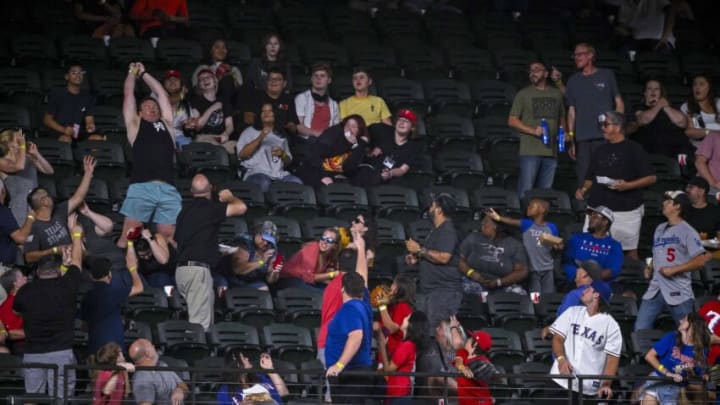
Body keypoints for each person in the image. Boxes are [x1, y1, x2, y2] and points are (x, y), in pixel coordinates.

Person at [13, 217, 84, 402]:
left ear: (37, 272)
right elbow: (77, 261)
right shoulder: (67, 285)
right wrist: (76, 234)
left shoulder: (26, 290)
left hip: (33, 353)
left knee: (32, 399)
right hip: (61, 353)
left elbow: (16, 311)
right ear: (59, 271)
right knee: (60, 400)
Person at [576, 110, 656, 259]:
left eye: (606, 125)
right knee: (590, 248)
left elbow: (651, 178)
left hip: (626, 209)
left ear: (618, 127)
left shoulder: (634, 149)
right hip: (598, 208)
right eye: (602, 125)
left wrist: (627, 186)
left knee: (628, 251)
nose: (602, 128)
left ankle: (629, 279)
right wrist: (583, 189)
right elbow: (590, 176)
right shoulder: (599, 149)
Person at [117, 62, 180, 248]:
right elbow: (128, 94)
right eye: (147, 106)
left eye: (154, 106)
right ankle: (121, 272)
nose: (152, 108)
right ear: (139, 112)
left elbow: (162, 94)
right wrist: (132, 73)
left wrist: (143, 73)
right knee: (130, 234)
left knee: (169, 238)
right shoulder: (135, 125)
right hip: (142, 186)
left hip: (168, 188)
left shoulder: (167, 124)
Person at [174, 174, 247, 330]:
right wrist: (230, 197)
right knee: (200, 327)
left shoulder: (183, 212)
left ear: (192, 191)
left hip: (182, 271)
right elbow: (241, 207)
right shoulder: (211, 208)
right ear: (211, 189)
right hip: (197, 272)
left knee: (199, 320)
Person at [635, 190, 711, 331]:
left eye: (668, 201)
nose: (664, 203)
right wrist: (650, 267)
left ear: (678, 206)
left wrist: (674, 269)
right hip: (655, 288)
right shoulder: (659, 228)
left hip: (678, 291)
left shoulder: (688, 231)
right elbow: (657, 253)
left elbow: (701, 260)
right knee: (640, 330)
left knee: (689, 334)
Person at [553, 43, 624, 188]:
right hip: (583, 139)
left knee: (607, 177)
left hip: (605, 136)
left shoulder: (606, 75)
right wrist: (572, 139)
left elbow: (619, 102)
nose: (576, 58)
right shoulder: (573, 80)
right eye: (575, 55)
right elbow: (571, 111)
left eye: (580, 54)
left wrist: (618, 131)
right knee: (585, 178)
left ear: (591, 55)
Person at [545, 281, 622, 403]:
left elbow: (612, 359)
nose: (583, 291)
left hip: (587, 389)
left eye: (588, 289)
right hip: (559, 381)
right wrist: (561, 359)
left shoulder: (611, 326)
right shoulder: (572, 312)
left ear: (596, 295)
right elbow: (557, 338)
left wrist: (606, 384)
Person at [317, 216, 374, 367]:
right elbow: (361, 277)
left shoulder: (330, 286)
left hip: (324, 342)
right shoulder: (350, 284)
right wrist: (361, 249)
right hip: (337, 345)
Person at [508, 60, 566, 198]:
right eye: (531, 70)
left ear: (546, 74)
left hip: (551, 151)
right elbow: (512, 120)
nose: (532, 73)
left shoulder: (556, 94)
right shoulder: (523, 94)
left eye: (537, 69)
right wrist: (533, 131)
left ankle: (540, 220)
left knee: (545, 193)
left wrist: (564, 133)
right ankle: (524, 219)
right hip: (530, 150)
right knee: (526, 191)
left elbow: (562, 117)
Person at [406, 193, 462, 331]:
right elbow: (432, 254)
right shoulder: (436, 229)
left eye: (433, 205)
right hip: (432, 292)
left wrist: (419, 249)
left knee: (441, 335)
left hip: (443, 292)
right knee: (428, 334)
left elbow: (444, 257)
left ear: (439, 210)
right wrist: (417, 257)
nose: (429, 208)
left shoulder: (447, 230)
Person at [24, 155, 96, 264]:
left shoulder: (58, 211)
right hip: (52, 269)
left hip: (73, 261)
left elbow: (78, 198)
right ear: (44, 202)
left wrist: (88, 173)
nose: (51, 197)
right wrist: (53, 251)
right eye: (48, 196)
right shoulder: (33, 227)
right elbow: (29, 257)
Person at [487, 198, 561, 294]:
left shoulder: (552, 227)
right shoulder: (527, 224)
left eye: (532, 206)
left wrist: (558, 247)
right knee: (535, 296)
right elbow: (511, 221)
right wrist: (498, 218)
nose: (528, 208)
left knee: (548, 295)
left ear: (542, 210)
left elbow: (558, 244)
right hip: (533, 269)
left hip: (548, 268)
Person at [634, 312, 710, 405]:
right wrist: (667, 372)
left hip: (676, 388)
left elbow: (697, 377)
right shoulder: (672, 337)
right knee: (648, 397)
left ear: (692, 326)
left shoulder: (701, 349)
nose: (680, 321)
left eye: (684, 320)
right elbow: (649, 356)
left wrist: (690, 372)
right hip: (658, 378)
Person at [325, 270, 373, 404]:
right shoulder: (364, 305)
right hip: (356, 373)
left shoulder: (350, 308)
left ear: (342, 290)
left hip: (350, 375)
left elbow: (356, 336)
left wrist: (339, 365)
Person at [81, 253, 144, 354]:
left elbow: (84, 326)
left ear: (91, 276)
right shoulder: (115, 291)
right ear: (109, 275)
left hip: (94, 348)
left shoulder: (87, 297)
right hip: (114, 348)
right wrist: (133, 269)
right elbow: (139, 287)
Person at [458, 211, 529, 297]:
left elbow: (522, 271)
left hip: (503, 285)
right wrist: (471, 273)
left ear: (496, 226)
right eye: (482, 221)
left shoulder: (514, 244)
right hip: (472, 281)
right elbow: (459, 259)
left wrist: (499, 282)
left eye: (486, 222)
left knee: (520, 295)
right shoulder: (473, 238)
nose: (482, 223)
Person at [235, 103, 302, 192]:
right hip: (256, 173)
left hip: (278, 175)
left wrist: (282, 154)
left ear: (275, 114)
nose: (266, 113)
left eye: (270, 111)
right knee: (264, 182)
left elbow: (288, 162)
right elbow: (242, 155)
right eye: (263, 111)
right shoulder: (249, 131)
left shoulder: (281, 136)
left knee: (297, 182)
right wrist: (260, 137)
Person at [541, 260, 611, 339]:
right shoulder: (599, 295)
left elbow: (563, 324)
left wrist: (549, 329)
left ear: (584, 275)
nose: (576, 270)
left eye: (579, 268)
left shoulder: (575, 295)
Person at [351, 109, 421, 188]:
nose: (402, 123)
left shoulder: (412, 147)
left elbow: (402, 169)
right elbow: (361, 135)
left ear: (413, 128)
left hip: (388, 180)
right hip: (368, 172)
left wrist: (390, 173)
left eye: (406, 121)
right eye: (400, 120)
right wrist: (369, 152)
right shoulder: (381, 130)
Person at [298, 114, 369, 187]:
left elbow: (349, 167)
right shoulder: (334, 133)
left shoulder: (358, 145)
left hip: (339, 176)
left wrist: (360, 146)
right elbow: (317, 154)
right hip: (317, 172)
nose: (349, 129)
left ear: (359, 131)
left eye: (353, 127)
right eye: (347, 125)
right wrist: (323, 176)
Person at [0, 129, 54, 225]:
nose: (22, 141)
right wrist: (22, 146)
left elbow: (49, 171)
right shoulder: (2, 161)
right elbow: (19, 166)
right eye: (18, 139)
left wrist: (36, 154)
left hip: (36, 203)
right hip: (19, 207)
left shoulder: (27, 157)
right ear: (9, 143)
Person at [214, 220, 283, 292]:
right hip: (227, 276)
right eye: (263, 239)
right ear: (256, 234)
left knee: (264, 289)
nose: (265, 243)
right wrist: (261, 261)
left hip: (249, 280)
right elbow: (238, 270)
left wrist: (274, 272)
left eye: (269, 241)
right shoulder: (244, 242)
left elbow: (270, 281)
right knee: (222, 289)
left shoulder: (272, 249)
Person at [376, 311, 429, 404]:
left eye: (407, 318)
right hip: (398, 390)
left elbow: (389, 370)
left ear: (411, 325)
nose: (404, 318)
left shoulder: (406, 346)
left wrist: (382, 346)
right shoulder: (407, 344)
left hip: (398, 392)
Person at [631, 79, 692, 158]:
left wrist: (666, 107)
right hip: (651, 147)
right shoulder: (639, 107)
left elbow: (682, 122)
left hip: (676, 148)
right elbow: (642, 120)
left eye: (656, 89)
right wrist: (659, 105)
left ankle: (683, 168)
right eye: (649, 88)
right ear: (645, 93)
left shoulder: (670, 108)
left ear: (661, 93)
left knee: (684, 155)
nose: (653, 91)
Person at [562, 205, 624, 284]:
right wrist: (580, 276)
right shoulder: (576, 238)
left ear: (605, 222)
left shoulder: (614, 246)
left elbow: (613, 270)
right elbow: (567, 261)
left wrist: (594, 279)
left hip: (600, 285)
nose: (590, 219)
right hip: (575, 282)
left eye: (595, 217)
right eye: (590, 216)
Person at [43, 63, 97, 143]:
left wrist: (90, 125)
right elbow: (47, 120)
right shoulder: (57, 94)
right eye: (74, 73)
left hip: (79, 133)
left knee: (97, 139)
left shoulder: (87, 96)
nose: (78, 75)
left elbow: (89, 119)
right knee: (66, 139)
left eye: (80, 73)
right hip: (60, 132)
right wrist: (64, 129)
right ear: (67, 76)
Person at [189, 67, 236, 154]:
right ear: (199, 85)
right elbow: (198, 126)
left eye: (208, 77)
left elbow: (230, 125)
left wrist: (226, 134)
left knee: (238, 147)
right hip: (204, 138)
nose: (205, 80)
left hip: (221, 138)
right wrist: (212, 108)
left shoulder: (224, 101)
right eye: (202, 79)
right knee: (214, 148)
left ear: (215, 81)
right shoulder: (196, 102)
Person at [129, 338, 188, 405]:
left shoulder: (162, 365)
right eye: (151, 346)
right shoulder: (142, 378)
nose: (154, 347)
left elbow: (183, 385)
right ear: (148, 353)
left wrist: (179, 390)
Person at [242, 68, 299, 137]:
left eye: (278, 79)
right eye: (270, 79)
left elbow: (293, 126)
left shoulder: (288, 99)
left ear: (284, 84)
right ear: (266, 82)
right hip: (257, 134)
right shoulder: (256, 96)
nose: (273, 82)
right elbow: (248, 119)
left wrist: (290, 126)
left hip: (281, 136)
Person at [216, 351, 289, 405]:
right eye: (244, 358)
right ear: (238, 365)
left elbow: (284, 393)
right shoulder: (225, 390)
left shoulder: (259, 377)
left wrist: (270, 369)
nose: (247, 358)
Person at [375, 274, 415, 366]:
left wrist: (381, 305)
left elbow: (391, 328)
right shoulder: (392, 306)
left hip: (394, 357)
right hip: (385, 354)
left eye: (393, 284)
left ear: (398, 289)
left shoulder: (403, 306)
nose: (390, 287)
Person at [295, 62, 340, 138]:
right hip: (307, 141)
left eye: (322, 76)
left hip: (327, 143)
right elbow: (298, 126)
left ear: (329, 80)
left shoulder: (333, 104)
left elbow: (336, 128)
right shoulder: (301, 98)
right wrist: (318, 134)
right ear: (311, 79)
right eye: (315, 75)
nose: (318, 78)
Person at [191, 38, 243, 103]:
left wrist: (230, 74)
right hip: (208, 102)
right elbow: (197, 91)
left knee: (228, 79)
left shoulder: (234, 69)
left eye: (224, 47)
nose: (221, 50)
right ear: (210, 51)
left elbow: (240, 91)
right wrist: (216, 79)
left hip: (231, 102)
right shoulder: (202, 68)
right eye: (217, 47)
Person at [157, 69, 197, 149]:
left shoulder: (185, 103)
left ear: (181, 84)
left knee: (189, 147)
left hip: (180, 137)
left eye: (175, 79)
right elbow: (168, 102)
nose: (172, 82)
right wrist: (182, 94)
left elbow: (187, 126)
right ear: (163, 84)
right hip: (159, 136)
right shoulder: (156, 95)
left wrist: (188, 126)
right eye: (168, 80)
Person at [453, 330, 495, 405]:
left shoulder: (482, 361)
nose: (468, 339)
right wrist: (462, 367)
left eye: (471, 338)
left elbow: (491, 372)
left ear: (475, 344)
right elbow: (458, 362)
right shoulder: (463, 352)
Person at [0, 178, 34, 266]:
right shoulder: (2, 211)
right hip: (4, 268)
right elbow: (21, 238)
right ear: (3, 191)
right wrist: (30, 217)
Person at [682, 73, 720, 149]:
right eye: (695, 84)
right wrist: (710, 132)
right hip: (700, 146)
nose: (697, 87)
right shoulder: (688, 106)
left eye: (701, 84)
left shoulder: (718, 103)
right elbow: (690, 131)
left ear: (709, 87)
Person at [0, 267, 27, 354]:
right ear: (15, 283)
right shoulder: (8, 305)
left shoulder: (24, 298)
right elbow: (10, 333)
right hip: (22, 349)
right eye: (22, 276)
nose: (26, 277)